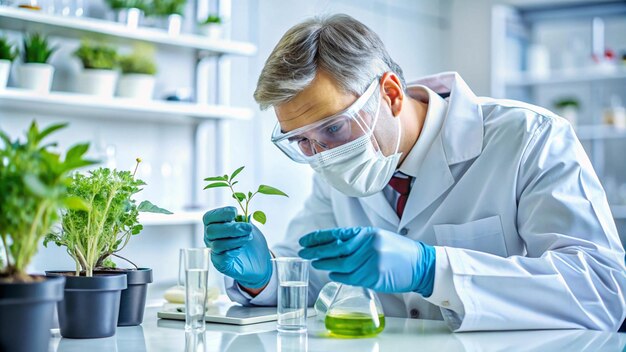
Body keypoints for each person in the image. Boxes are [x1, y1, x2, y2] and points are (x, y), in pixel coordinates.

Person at [202, 14, 626, 331]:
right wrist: (264, 277)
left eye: (332, 127)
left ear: (388, 93)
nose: (322, 154)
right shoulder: (337, 165)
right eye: (302, 141)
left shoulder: (531, 138)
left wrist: (432, 270)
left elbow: (602, 291)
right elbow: (311, 278)